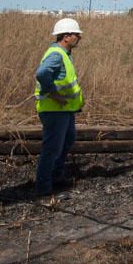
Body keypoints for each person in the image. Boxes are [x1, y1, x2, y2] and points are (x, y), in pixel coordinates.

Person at [34, 17, 85, 196]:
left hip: (64, 110)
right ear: (66, 36)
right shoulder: (56, 54)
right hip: (54, 110)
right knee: (52, 148)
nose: (79, 37)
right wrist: (54, 94)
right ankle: (44, 188)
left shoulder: (64, 54)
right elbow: (41, 73)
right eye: (76, 34)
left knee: (68, 139)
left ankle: (56, 177)